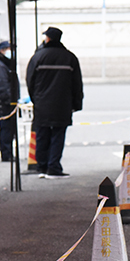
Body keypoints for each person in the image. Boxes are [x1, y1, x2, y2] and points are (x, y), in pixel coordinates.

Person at [26, 26, 83, 179]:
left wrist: (35, 99)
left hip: (42, 104)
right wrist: (76, 104)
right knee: (58, 135)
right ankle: (54, 167)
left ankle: (42, 167)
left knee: (42, 134)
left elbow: (30, 81)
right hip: (63, 104)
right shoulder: (70, 57)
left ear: (48, 39)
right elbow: (77, 83)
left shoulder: (38, 57)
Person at [0, 41, 20, 162]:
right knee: (6, 129)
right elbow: (1, 85)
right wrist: (9, 100)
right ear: (2, 50)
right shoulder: (0, 66)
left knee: (9, 129)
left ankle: (7, 152)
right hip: (4, 104)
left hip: (6, 103)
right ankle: (6, 153)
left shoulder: (5, 64)